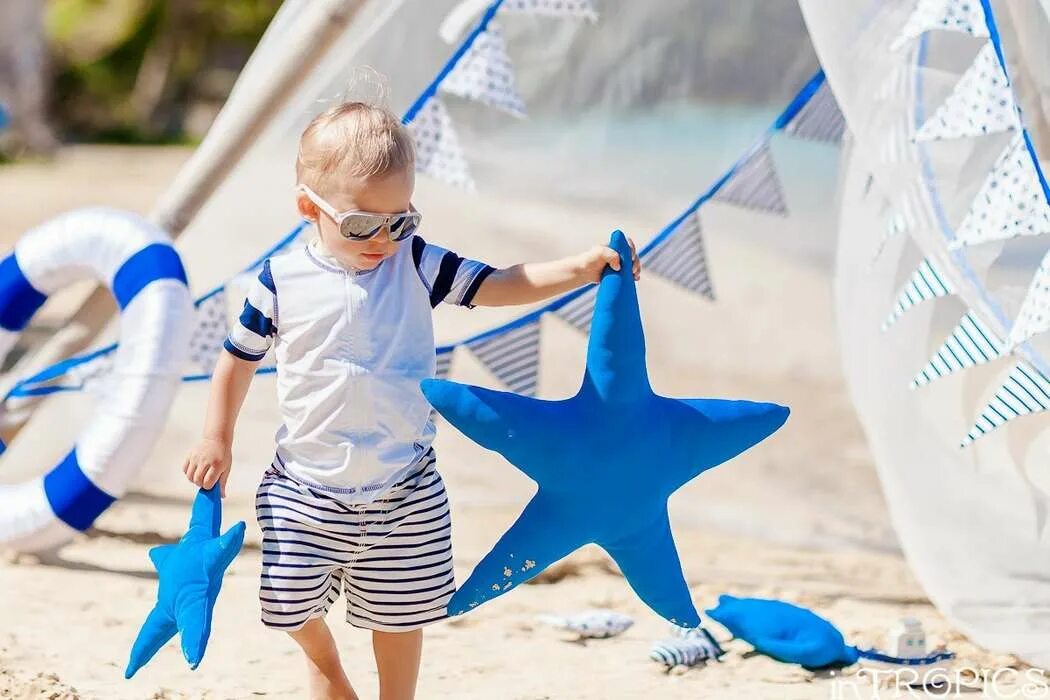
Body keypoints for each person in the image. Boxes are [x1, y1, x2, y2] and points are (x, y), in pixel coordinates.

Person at [182, 96, 640, 700]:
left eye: (400, 220)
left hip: (405, 487)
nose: (384, 239)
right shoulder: (281, 280)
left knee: (401, 616)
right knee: (289, 606)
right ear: (307, 209)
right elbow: (236, 361)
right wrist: (216, 435)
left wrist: (579, 269)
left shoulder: (418, 264)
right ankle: (327, 667)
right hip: (304, 487)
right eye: (362, 224)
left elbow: (500, 284)